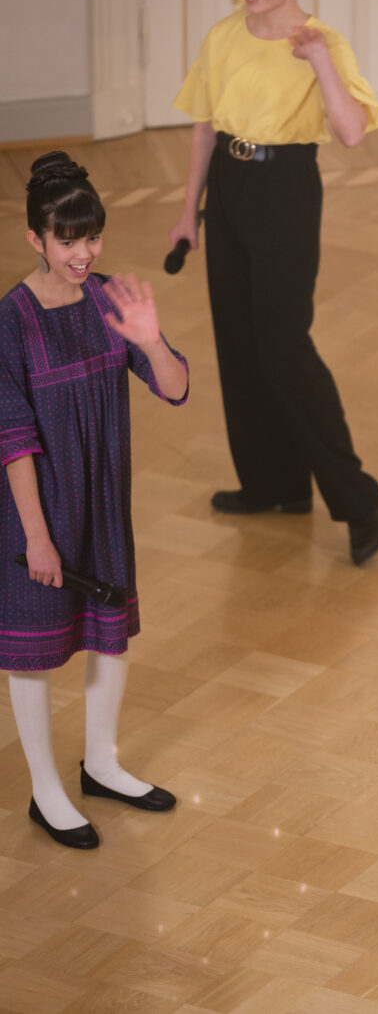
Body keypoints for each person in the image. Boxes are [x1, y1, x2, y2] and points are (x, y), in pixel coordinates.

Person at [169, 0, 378, 566]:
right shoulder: (222, 35)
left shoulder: (323, 41)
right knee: (239, 341)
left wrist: (320, 61)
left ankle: (359, 499)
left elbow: (351, 132)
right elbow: (206, 128)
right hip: (230, 191)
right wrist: (189, 211)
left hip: (287, 188)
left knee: (283, 346)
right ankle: (274, 483)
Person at [0, 151, 189, 850]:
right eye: (68, 241)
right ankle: (45, 788)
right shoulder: (10, 323)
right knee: (32, 649)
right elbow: (13, 440)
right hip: (36, 512)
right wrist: (37, 538)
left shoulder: (113, 300)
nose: (84, 254)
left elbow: (172, 385)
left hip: (102, 498)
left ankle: (102, 761)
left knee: (108, 627)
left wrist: (149, 340)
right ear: (36, 240)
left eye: (92, 238)